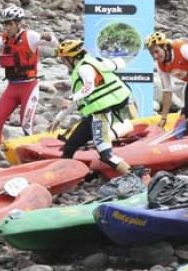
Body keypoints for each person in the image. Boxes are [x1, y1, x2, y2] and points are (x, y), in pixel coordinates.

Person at [0, 6, 53, 169]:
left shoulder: (31, 36)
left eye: (9, 24)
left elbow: (54, 43)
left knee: (25, 125)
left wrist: (49, 37)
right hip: (12, 88)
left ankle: (34, 160)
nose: (6, 27)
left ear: (18, 23)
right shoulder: (5, 38)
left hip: (29, 88)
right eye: (5, 24)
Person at [54, 39, 136, 176]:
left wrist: (70, 98)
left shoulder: (84, 68)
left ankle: (138, 178)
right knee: (69, 146)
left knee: (106, 154)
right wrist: (58, 119)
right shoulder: (94, 62)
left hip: (101, 114)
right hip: (93, 116)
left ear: (71, 58)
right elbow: (119, 63)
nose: (64, 64)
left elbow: (89, 87)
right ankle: (62, 177)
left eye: (63, 60)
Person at [145, 31, 188, 135]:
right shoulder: (161, 66)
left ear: (164, 47)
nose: (155, 56)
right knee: (186, 112)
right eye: (151, 54)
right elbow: (167, 92)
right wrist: (163, 118)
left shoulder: (182, 49)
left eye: (156, 51)